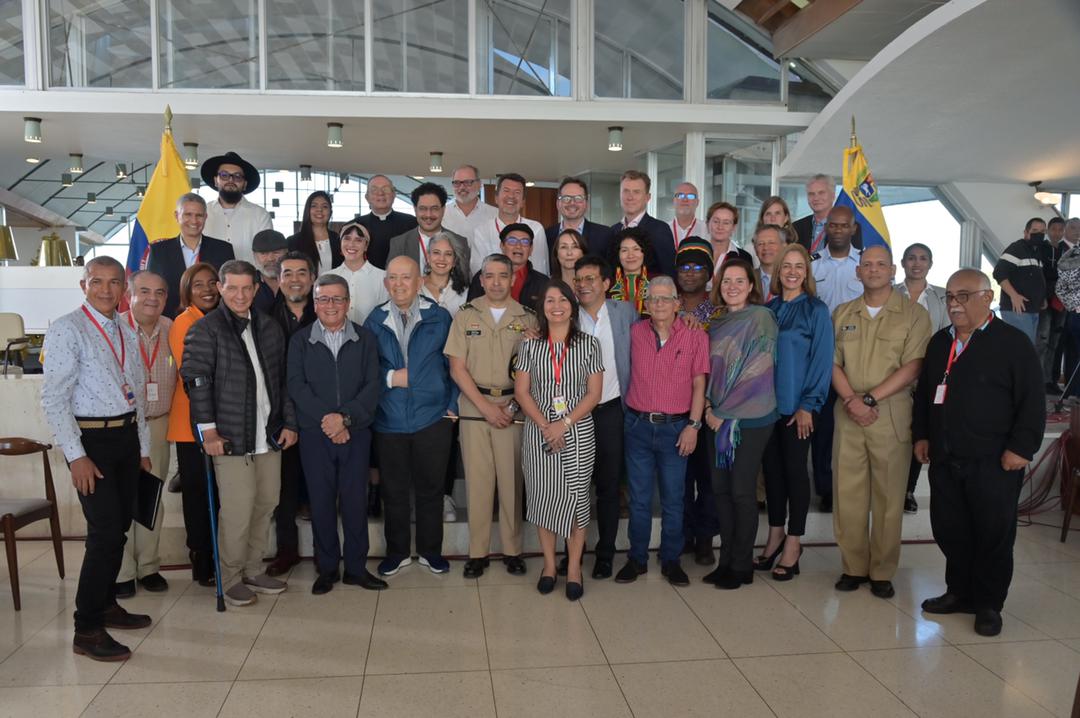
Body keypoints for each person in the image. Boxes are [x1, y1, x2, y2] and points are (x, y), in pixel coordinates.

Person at [913, 269, 1045, 637]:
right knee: (950, 528)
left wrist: (1021, 447)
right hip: (946, 456)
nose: (954, 304)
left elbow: (1032, 401)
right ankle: (959, 592)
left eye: (964, 296)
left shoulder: (1013, 343)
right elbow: (925, 395)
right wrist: (922, 435)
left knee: (992, 533)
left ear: (988, 297)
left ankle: (988, 604)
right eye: (950, 297)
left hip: (995, 460)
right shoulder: (940, 342)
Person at [41, 256, 154, 661]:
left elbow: (137, 392)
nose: (106, 290)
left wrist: (142, 449)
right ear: (83, 285)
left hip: (125, 438)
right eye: (97, 281)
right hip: (91, 442)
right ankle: (86, 628)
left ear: (124, 287)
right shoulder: (67, 329)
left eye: (113, 282)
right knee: (105, 533)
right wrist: (76, 457)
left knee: (118, 527)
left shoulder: (125, 327)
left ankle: (106, 605)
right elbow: (53, 399)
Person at [181, 260, 298, 607]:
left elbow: (284, 380)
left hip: (269, 435)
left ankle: (252, 568)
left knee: (266, 503)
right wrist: (208, 432)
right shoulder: (206, 329)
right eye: (232, 288)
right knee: (237, 510)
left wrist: (290, 423)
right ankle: (230, 576)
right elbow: (196, 382)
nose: (240, 295)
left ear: (257, 289)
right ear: (220, 288)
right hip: (230, 438)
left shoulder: (270, 327)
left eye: (247, 288)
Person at [831, 246, 931, 599]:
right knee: (848, 493)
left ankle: (882, 571)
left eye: (881, 264)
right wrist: (852, 400)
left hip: (890, 412)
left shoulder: (914, 314)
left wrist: (869, 400)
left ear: (892, 271)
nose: (873, 270)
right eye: (867, 265)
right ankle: (853, 567)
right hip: (848, 412)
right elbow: (832, 363)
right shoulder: (843, 313)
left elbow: (915, 365)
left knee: (888, 497)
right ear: (857, 272)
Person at [288, 273, 387, 594]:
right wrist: (329, 422)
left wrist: (344, 420)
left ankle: (356, 569)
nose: (330, 305)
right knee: (321, 502)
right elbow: (296, 387)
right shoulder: (300, 341)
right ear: (314, 303)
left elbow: (372, 385)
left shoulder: (365, 339)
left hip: (355, 433)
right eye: (323, 299)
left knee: (355, 502)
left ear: (348, 302)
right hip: (315, 435)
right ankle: (327, 568)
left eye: (337, 299)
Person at [364, 256, 458, 576]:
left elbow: (456, 365)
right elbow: (364, 370)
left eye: (406, 277)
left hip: (433, 418)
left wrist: (453, 405)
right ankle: (398, 552)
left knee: (431, 489)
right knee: (394, 490)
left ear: (420, 282)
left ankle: (431, 552)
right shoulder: (374, 320)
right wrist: (391, 378)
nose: (399, 284)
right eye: (393, 278)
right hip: (389, 420)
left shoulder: (440, 317)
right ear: (385, 283)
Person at [446, 254, 537, 578]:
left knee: (512, 482)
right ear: (481, 280)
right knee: (478, 481)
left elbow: (534, 370)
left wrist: (510, 408)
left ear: (513, 279)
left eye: (503, 275)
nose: (496, 282)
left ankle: (512, 550)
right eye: (490, 276)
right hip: (475, 406)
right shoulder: (466, 315)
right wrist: (486, 409)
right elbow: (457, 369)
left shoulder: (528, 318)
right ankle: (478, 552)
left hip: (515, 405)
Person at [615, 277, 709, 587]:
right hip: (638, 427)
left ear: (677, 303)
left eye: (665, 298)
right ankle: (637, 559)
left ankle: (671, 560)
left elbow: (699, 384)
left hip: (676, 429)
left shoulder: (695, 336)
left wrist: (693, 426)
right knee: (640, 500)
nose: (658, 304)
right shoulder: (635, 332)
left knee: (673, 499)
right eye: (653, 299)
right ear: (645, 303)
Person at [515, 281, 603, 600]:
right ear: (542, 307)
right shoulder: (530, 345)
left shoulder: (589, 344)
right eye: (550, 300)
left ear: (572, 305)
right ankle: (550, 566)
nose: (556, 306)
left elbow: (594, 394)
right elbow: (522, 392)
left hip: (577, 432)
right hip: (539, 433)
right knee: (543, 499)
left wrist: (563, 424)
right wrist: (546, 426)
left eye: (562, 299)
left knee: (577, 500)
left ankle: (574, 568)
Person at [701, 260, 778, 589]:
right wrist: (708, 406)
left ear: (750, 286)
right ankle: (726, 561)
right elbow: (703, 367)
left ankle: (742, 565)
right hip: (714, 417)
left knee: (741, 491)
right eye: (726, 281)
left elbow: (758, 369)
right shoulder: (714, 320)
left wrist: (722, 411)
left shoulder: (761, 317)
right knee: (720, 490)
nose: (732, 287)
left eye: (739, 281)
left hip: (750, 418)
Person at [759, 244, 833, 581]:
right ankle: (775, 534)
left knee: (795, 473)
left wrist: (808, 405)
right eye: (786, 266)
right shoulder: (769, 309)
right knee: (772, 474)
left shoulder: (816, 310)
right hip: (766, 408)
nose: (792, 272)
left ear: (806, 272)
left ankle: (793, 542)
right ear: (777, 271)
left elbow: (822, 360)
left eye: (798, 266)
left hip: (798, 408)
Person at [569, 255, 636, 579]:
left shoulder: (625, 313)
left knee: (609, 487)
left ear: (607, 283)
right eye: (578, 279)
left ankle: (605, 554)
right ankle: (574, 553)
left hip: (611, 411)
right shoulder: (567, 315)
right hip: (574, 414)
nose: (582, 285)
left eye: (590, 279)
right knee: (574, 486)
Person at [115, 270, 176, 598]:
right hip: (123, 426)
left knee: (151, 497)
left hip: (159, 424)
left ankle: (149, 566)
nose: (152, 298)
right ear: (129, 294)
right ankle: (123, 571)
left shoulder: (172, 328)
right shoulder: (115, 329)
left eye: (160, 292)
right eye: (144, 291)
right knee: (122, 498)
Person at [167, 262, 220, 587]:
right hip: (192, 425)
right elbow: (192, 375)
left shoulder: (222, 319)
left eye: (212, 282)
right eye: (198, 284)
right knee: (198, 495)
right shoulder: (184, 322)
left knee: (218, 494)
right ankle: (201, 558)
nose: (207, 290)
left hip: (222, 423)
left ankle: (217, 555)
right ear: (187, 290)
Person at [265, 252, 317, 577]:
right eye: (287, 274)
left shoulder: (326, 312)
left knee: (322, 486)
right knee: (283, 488)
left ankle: (327, 551)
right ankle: (287, 551)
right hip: (279, 416)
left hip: (319, 413)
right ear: (278, 279)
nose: (294, 280)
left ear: (312, 278)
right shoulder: (263, 318)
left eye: (301, 273)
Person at [810, 205, 864, 513]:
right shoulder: (813, 264)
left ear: (853, 228)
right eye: (833, 225)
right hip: (821, 357)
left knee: (854, 425)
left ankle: (853, 486)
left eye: (845, 225)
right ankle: (826, 488)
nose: (839, 230)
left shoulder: (864, 264)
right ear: (826, 228)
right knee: (824, 429)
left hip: (858, 356)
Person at [674, 239, 720, 565]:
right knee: (679, 477)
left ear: (708, 273)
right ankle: (684, 534)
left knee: (708, 477)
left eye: (697, 268)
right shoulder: (665, 305)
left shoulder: (720, 310)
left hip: (712, 405)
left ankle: (705, 538)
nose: (690, 273)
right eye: (684, 268)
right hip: (675, 404)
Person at [896, 242, 948, 514]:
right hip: (892, 373)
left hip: (928, 373)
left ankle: (908, 489)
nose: (917, 263)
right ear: (903, 263)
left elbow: (948, 335)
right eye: (912, 258)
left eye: (923, 258)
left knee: (919, 431)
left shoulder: (942, 297)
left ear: (930, 264)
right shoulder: (890, 293)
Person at [147, 193, 234, 318]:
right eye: (188, 215)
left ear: (205, 217)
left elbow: (230, 289)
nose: (194, 221)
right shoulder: (158, 251)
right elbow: (153, 289)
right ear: (177, 216)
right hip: (171, 321)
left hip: (214, 322)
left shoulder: (223, 249)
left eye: (199, 215)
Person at [468, 172, 548, 275]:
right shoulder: (482, 231)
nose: (511, 196)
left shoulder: (536, 229)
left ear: (523, 201)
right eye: (506, 190)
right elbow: (478, 272)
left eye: (517, 192)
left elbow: (540, 270)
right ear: (496, 198)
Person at [200, 151, 273, 264]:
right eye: (224, 175)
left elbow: (267, 254)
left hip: (250, 274)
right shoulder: (203, 212)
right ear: (215, 181)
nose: (230, 180)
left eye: (237, 176)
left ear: (245, 184)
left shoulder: (260, 215)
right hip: (211, 274)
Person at [387, 182, 471, 279]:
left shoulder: (460, 243)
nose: (428, 215)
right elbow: (391, 280)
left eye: (434, 209)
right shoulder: (399, 244)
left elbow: (464, 280)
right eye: (423, 209)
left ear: (443, 209)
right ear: (415, 209)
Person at [992, 216, 1051, 345]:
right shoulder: (1017, 248)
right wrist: (1014, 296)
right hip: (1017, 310)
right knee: (1023, 348)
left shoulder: (1036, 252)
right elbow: (999, 273)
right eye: (1035, 231)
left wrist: (1043, 298)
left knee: (1028, 348)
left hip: (1033, 309)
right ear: (1026, 232)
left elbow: (1036, 279)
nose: (1039, 234)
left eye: (1042, 232)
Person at [611, 170, 676, 276]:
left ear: (647, 197)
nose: (630, 197)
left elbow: (669, 273)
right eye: (626, 191)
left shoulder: (659, 229)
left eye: (636, 192)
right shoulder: (613, 230)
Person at [467, 223, 547, 309]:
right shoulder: (484, 276)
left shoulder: (543, 283)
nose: (518, 246)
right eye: (512, 241)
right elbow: (470, 312)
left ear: (531, 249)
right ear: (502, 246)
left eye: (525, 242)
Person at [325, 221, 388, 325]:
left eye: (358, 240)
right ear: (340, 243)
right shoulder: (327, 277)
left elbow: (385, 318)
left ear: (366, 246)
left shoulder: (382, 277)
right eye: (347, 238)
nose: (351, 244)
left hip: (371, 335)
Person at [355, 174, 418, 270]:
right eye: (374, 190)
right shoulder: (356, 225)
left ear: (394, 195)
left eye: (386, 189)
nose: (380, 193)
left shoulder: (412, 223)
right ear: (367, 197)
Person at [544, 176, 613, 258]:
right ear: (558, 204)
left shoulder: (605, 235)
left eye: (578, 198)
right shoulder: (546, 235)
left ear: (586, 204)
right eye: (566, 198)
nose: (572, 203)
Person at [793, 174, 862, 253]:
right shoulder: (796, 227)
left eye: (821, 193)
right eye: (811, 194)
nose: (816, 198)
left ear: (833, 195)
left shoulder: (848, 226)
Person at [1041, 216, 1068, 395]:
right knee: (1042, 340)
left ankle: (1050, 380)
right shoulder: (1040, 248)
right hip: (1043, 301)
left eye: (1060, 230)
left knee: (1055, 343)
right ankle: (1038, 379)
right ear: (1048, 230)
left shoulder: (1067, 251)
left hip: (1061, 300)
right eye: (1054, 229)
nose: (1057, 233)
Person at [443, 164, 498, 245]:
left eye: (467, 182)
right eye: (457, 183)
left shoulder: (494, 215)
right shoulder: (442, 213)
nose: (462, 187)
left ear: (479, 184)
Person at [288, 191, 341, 274]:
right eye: (314, 206)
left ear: (330, 212)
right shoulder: (293, 241)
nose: (319, 210)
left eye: (325, 206)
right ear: (307, 210)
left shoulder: (339, 240)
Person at [607, 227, 655, 316]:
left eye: (636, 249)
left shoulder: (658, 281)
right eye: (624, 250)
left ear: (644, 252)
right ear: (617, 254)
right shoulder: (607, 285)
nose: (630, 255)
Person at [423, 233, 470, 317]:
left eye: (448, 254)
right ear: (428, 257)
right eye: (436, 253)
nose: (442, 258)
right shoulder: (415, 287)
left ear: (454, 261)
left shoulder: (466, 292)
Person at [705, 202, 753, 273]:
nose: (720, 227)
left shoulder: (744, 258)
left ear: (734, 227)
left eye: (726, 223)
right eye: (716, 221)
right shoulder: (696, 252)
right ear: (707, 223)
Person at [251, 229, 289, 314]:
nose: (270, 259)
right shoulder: (248, 283)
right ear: (254, 255)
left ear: (286, 253)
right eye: (263, 254)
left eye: (276, 253)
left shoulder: (297, 281)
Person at [753, 224, 785, 302]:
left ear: (784, 246)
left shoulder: (796, 279)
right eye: (760, 243)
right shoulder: (747, 278)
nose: (766, 247)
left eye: (771, 242)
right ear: (755, 249)